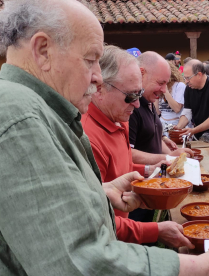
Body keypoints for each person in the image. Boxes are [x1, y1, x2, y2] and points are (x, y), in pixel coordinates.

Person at [0, 1, 209, 275]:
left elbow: (28, 213)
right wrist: (203, 268)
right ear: (43, 50)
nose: (98, 78)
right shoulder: (16, 117)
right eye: (90, 59)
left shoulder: (14, 106)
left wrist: (97, 192)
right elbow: (78, 262)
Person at [81, 45, 193, 248]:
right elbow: (96, 222)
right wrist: (154, 231)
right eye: (131, 96)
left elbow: (121, 167)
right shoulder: (88, 138)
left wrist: (150, 170)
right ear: (99, 89)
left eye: (139, 94)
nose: (137, 104)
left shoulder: (118, 116)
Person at [129, 52, 193, 223]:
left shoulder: (148, 101)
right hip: (137, 192)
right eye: (160, 83)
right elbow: (127, 152)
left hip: (153, 187)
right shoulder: (131, 107)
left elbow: (154, 137)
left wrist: (175, 153)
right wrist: (167, 157)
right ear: (141, 73)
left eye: (166, 83)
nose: (164, 90)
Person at [175, 59, 209, 139]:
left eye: (188, 78)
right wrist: (178, 128)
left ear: (199, 75)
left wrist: (193, 130)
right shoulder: (189, 88)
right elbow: (187, 112)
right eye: (185, 78)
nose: (186, 81)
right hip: (199, 136)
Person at [155, 62, 187, 137]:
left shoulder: (179, 86)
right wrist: (156, 95)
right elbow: (157, 112)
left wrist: (166, 92)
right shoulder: (161, 86)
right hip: (162, 123)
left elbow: (177, 108)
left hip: (175, 124)